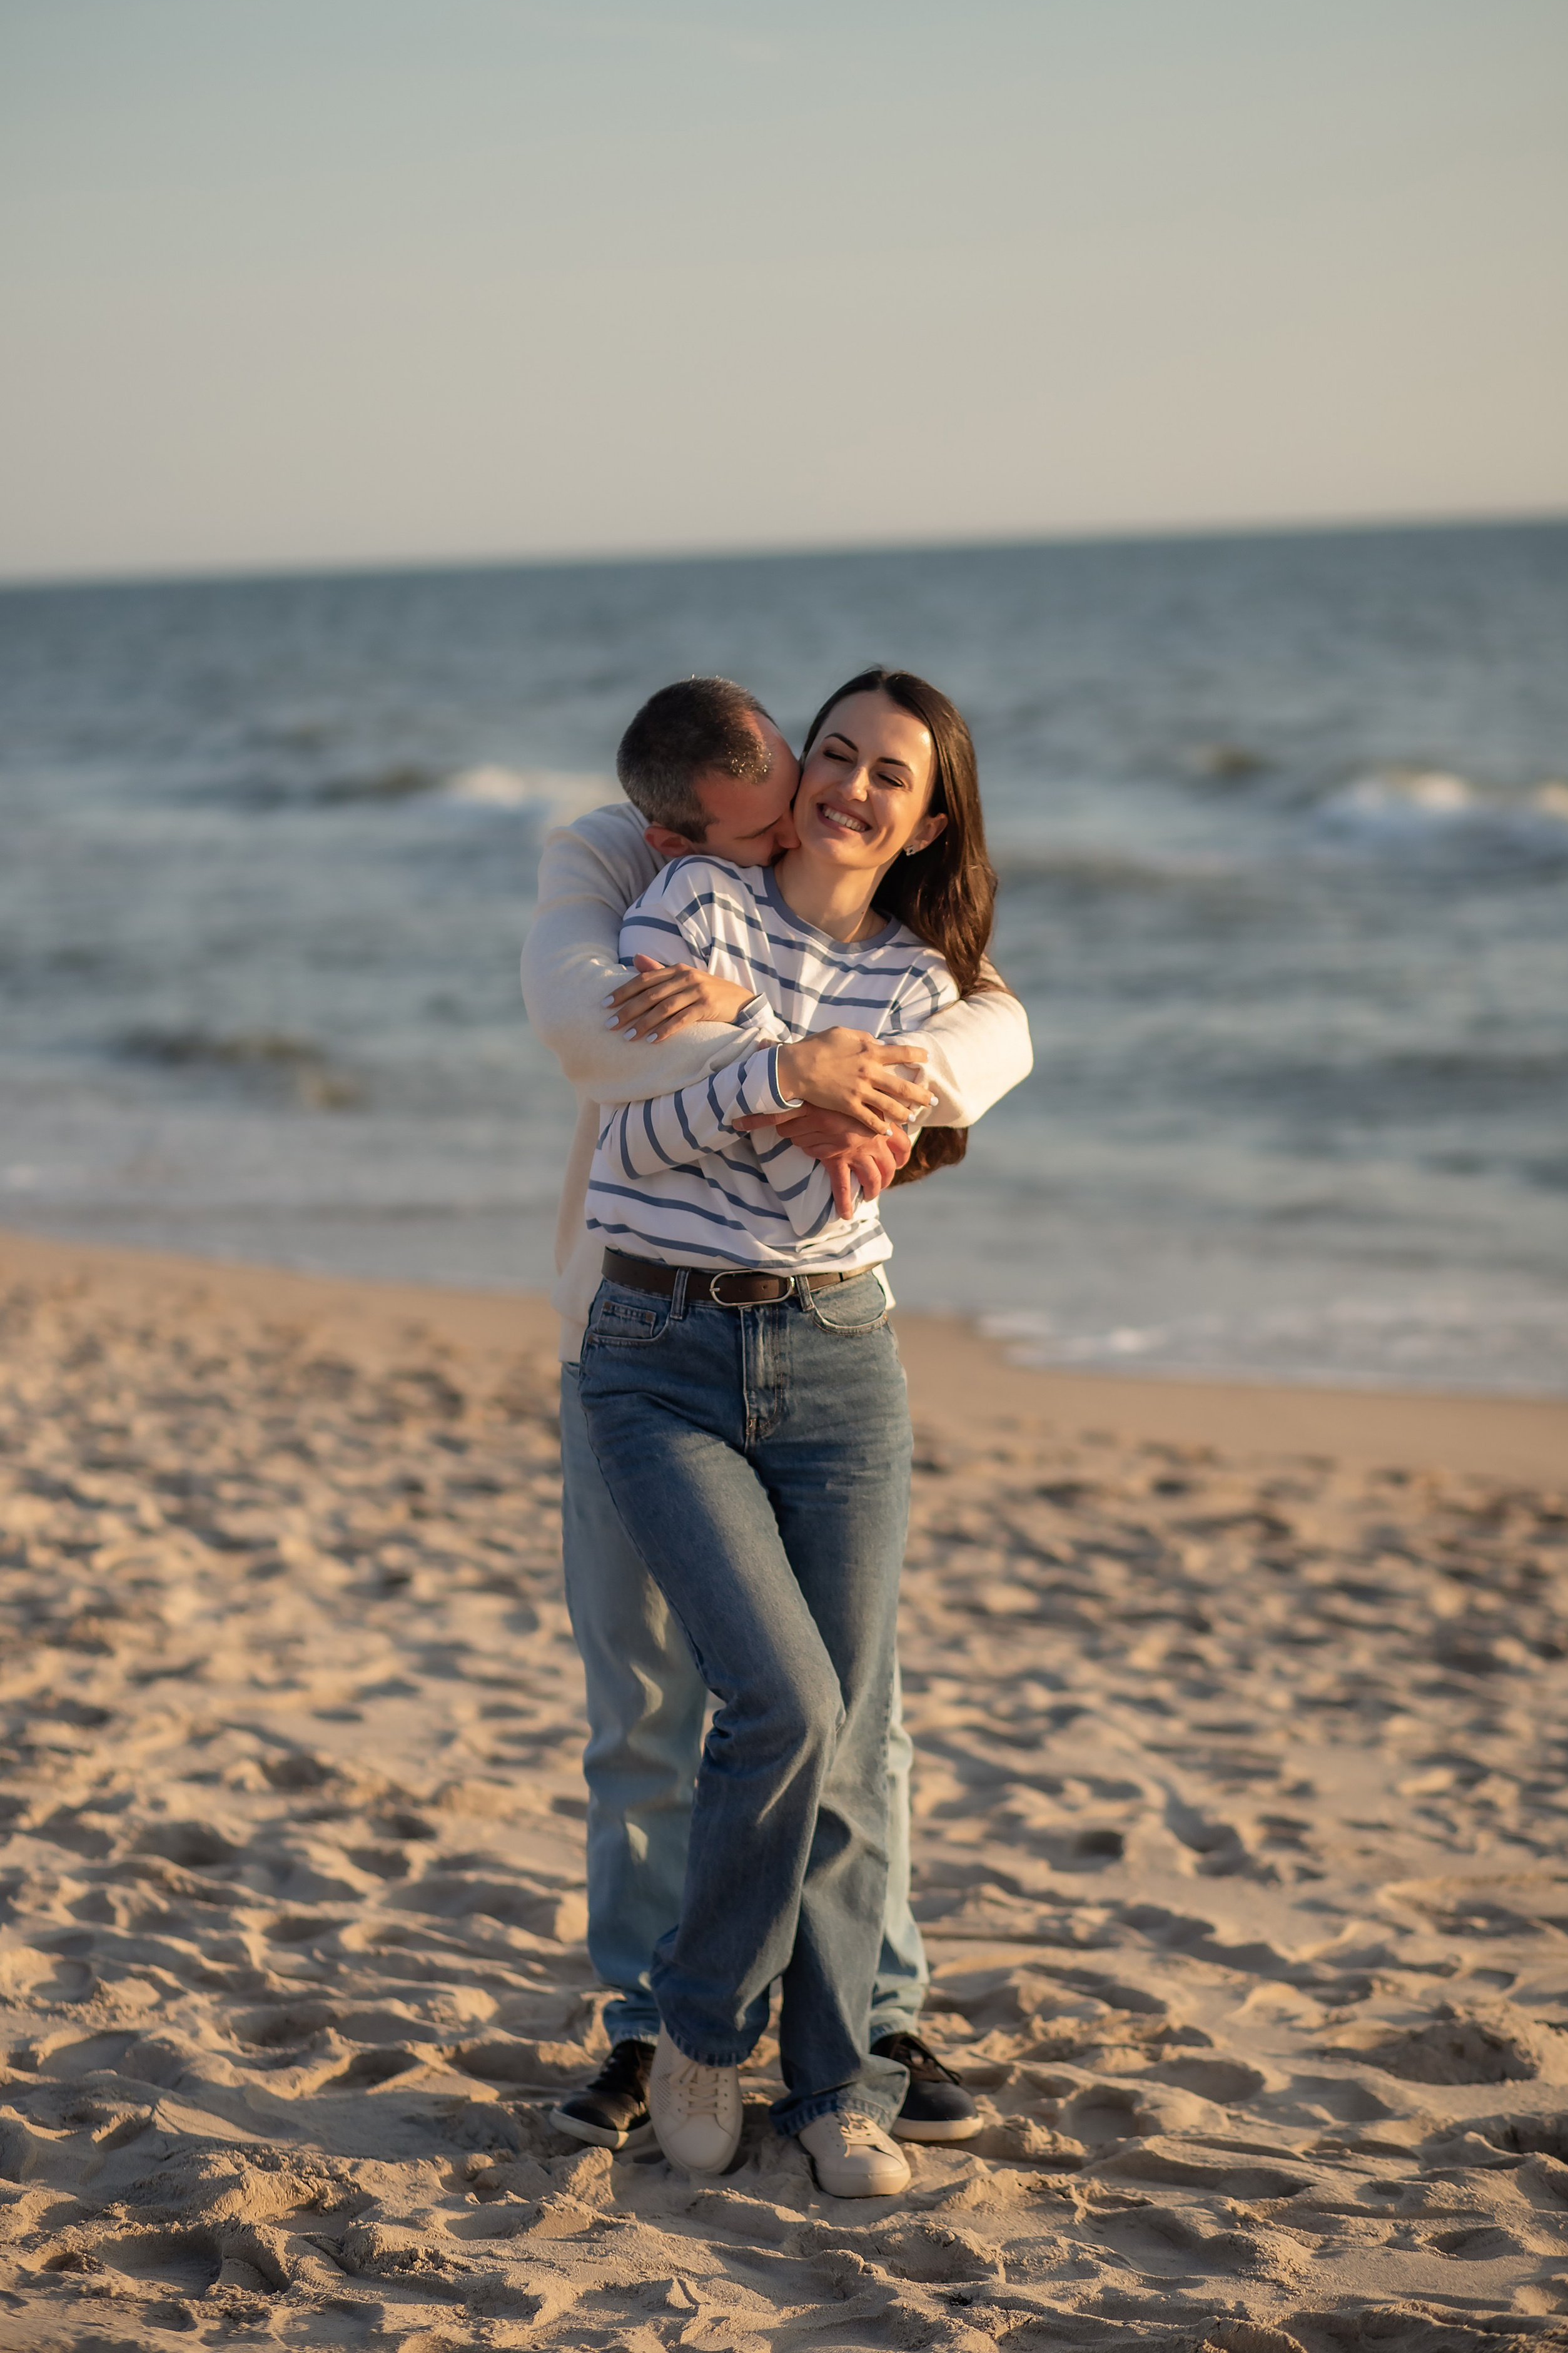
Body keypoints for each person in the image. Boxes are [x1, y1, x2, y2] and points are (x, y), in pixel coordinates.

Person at [520, 675, 1032, 2180]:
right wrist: (787, 1076)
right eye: (834, 754)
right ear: (785, 769)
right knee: (715, 1707)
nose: (852, 788)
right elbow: (633, 1112)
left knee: (852, 1721)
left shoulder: (927, 989)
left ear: (929, 816)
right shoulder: (670, 888)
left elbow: (852, 1170)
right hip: (647, 1335)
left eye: (891, 775)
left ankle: (845, 2072)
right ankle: (675, 2026)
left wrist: (768, 1060)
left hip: (833, 1351)